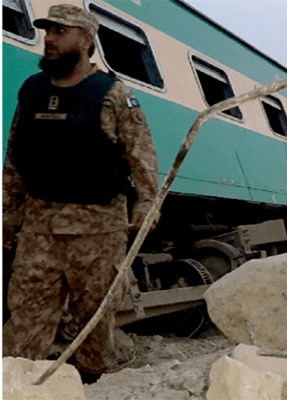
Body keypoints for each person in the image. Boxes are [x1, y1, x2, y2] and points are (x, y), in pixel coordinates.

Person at [2, 4, 159, 380]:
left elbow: (142, 155)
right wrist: (7, 217)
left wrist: (148, 203)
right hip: (39, 230)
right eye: (48, 31)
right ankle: (20, 385)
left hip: (98, 231)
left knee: (93, 325)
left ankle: (91, 383)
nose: (49, 39)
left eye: (59, 31)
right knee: (23, 322)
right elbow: (16, 159)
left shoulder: (113, 94)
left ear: (86, 39)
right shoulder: (32, 90)